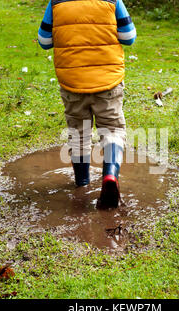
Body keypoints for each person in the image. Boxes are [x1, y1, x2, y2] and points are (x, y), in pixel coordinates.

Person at [38, 0, 136, 208]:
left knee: (78, 132)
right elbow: (129, 37)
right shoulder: (112, 1)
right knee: (112, 129)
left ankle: (82, 182)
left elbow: (44, 40)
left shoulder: (55, 3)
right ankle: (110, 175)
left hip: (73, 82)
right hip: (107, 82)